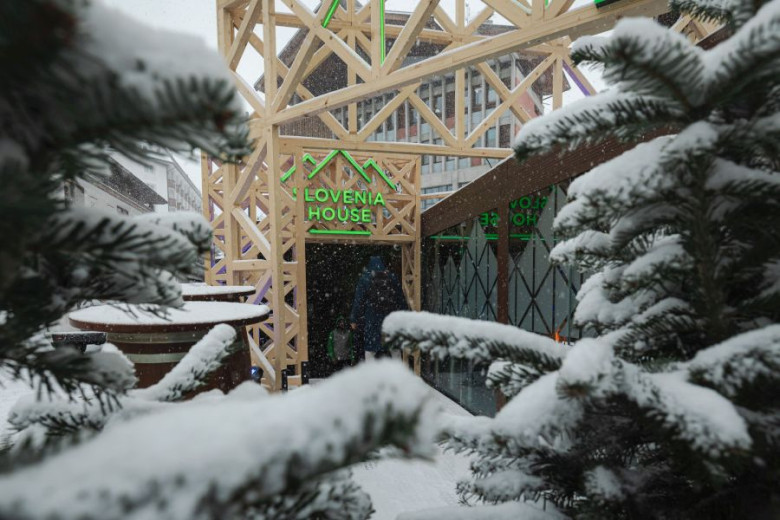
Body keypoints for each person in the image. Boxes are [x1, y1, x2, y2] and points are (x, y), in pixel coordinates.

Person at [350, 256, 407, 360]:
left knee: (370, 349)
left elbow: (358, 301)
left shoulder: (365, 278)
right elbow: (400, 299)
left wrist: (354, 319)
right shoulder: (392, 277)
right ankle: (398, 374)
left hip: (372, 318)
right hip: (390, 318)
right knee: (394, 348)